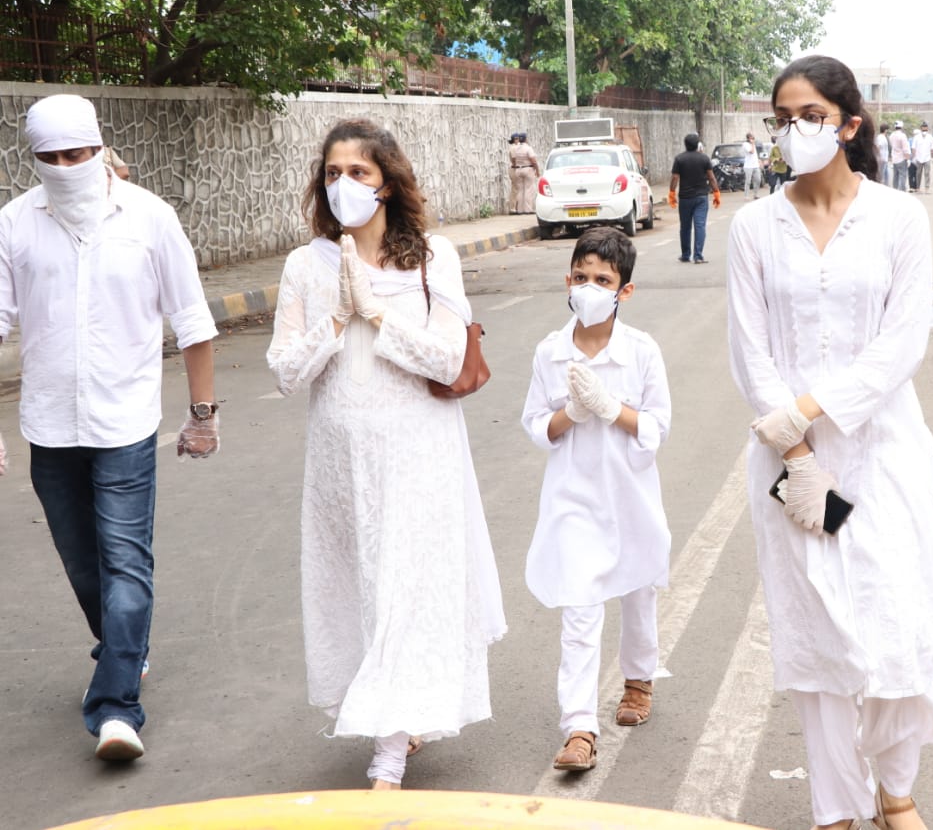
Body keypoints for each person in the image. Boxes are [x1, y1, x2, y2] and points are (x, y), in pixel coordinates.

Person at [728, 55, 933, 830]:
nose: (795, 131)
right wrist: (796, 453)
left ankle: (896, 788)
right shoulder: (754, 226)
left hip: (884, 454)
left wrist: (811, 409)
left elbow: (900, 345)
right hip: (793, 464)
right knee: (816, 635)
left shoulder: (899, 218)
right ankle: (836, 808)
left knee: (898, 621)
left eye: (812, 116)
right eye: (783, 117)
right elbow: (750, 348)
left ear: (849, 124)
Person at [266, 118, 506, 790]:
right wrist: (338, 317)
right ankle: (399, 712)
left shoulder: (431, 256)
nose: (344, 184)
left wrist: (377, 312)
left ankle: (389, 755)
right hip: (340, 461)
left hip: (418, 453)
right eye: (333, 173)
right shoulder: (304, 265)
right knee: (360, 592)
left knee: (405, 587)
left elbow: (449, 357)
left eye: (360, 173)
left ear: (388, 182)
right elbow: (285, 370)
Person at [0, 94, 220, 762]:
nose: (67, 167)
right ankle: (127, 650)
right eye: (52, 158)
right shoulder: (13, 224)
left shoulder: (150, 218)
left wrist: (203, 416)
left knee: (126, 563)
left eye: (79, 154)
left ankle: (117, 706)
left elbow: (193, 320)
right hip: (49, 424)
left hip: (125, 421)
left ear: (101, 148)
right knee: (83, 564)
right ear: (31, 159)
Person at [521, 226, 673, 774]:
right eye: (581, 277)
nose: (589, 287)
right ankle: (579, 726)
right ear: (568, 281)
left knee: (637, 594)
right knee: (580, 611)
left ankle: (637, 681)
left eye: (602, 280)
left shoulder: (642, 351)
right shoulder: (549, 352)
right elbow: (537, 425)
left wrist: (610, 408)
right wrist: (573, 413)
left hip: (631, 497)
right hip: (574, 500)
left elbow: (659, 423)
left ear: (623, 291)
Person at [668, 133, 721, 264]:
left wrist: (671, 193)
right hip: (701, 198)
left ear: (685, 144)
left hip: (685, 198)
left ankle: (686, 255)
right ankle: (698, 256)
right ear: (698, 144)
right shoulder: (704, 159)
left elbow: (675, 177)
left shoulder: (679, 159)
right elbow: (711, 177)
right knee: (700, 226)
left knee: (685, 227)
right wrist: (716, 193)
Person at [508, 132, 540, 214]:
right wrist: (537, 170)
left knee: (520, 190)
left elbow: (514, 160)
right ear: (525, 139)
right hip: (527, 169)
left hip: (518, 169)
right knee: (528, 190)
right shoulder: (528, 148)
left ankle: (520, 209)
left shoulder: (516, 148)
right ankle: (528, 209)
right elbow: (534, 161)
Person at [888, 120, 911, 192]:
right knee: (902, 176)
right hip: (902, 158)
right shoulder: (902, 136)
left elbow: (891, 146)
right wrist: (908, 159)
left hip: (894, 159)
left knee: (895, 176)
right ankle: (901, 191)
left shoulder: (891, 135)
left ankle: (895, 190)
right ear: (902, 127)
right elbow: (905, 148)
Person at [912, 122, 933, 194]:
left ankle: (927, 188)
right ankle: (918, 188)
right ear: (921, 128)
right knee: (918, 173)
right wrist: (914, 157)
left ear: (927, 128)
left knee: (927, 173)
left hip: (927, 158)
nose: (924, 129)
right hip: (918, 158)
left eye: (925, 127)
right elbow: (913, 148)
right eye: (923, 127)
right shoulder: (916, 137)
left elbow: (932, 148)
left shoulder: (930, 137)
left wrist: (932, 157)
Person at [743, 132, 764, 199]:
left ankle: (755, 194)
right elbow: (751, 152)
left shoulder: (753, 144)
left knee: (758, 180)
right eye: (752, 138)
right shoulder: (745, 144)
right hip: (748, 166)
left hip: (755, 165)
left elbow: (755, 155)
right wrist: (752, 144)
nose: (753, 139)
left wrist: (759, 161)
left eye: (754, 138)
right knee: (748, 181)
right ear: (748, 138)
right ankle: (746, 195)